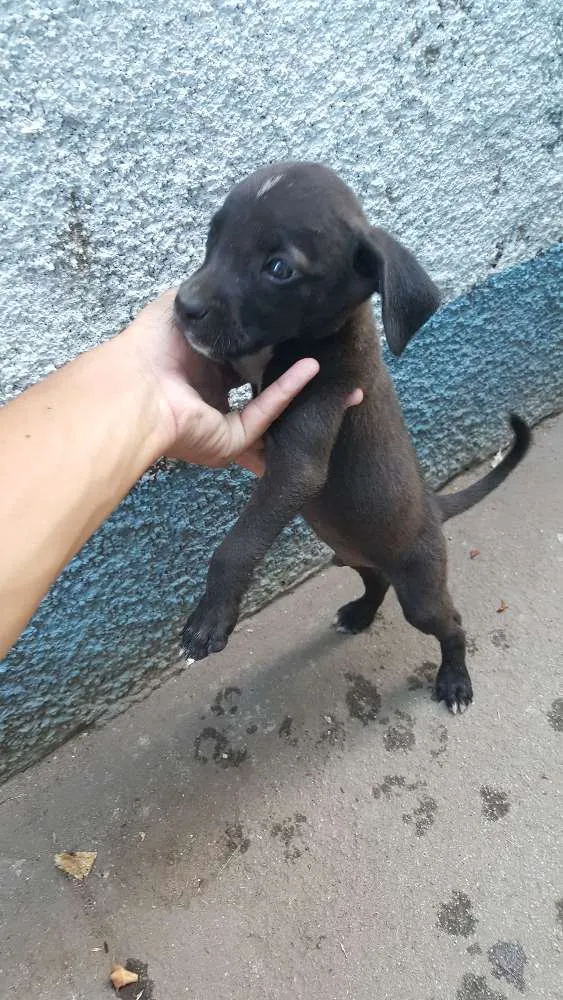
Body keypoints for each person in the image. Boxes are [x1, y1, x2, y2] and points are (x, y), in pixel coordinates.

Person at [0, 289, 362, 658]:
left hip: (382, 533)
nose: (188, 295)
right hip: (350, 527)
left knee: (422, 608)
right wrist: (148, 385)